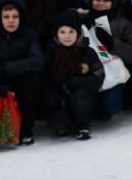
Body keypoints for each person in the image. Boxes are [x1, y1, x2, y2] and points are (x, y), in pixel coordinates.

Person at [0, 0, 44, 145]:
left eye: (15, 16)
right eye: (6, 17)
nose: (11, 21)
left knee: (33, 79)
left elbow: (38, 61)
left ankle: (26, 129)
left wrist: (7, 69)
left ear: (22, 18)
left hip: (21, 83)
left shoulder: (30, 36)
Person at [79, 0, 132, 119]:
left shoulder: (123, 24)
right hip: (91, 74)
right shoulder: (83, 22)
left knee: (109, 107)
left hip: (117, 77)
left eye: (106, 0)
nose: (100, 3)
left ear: (114, 1)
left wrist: (113, 43)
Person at [43, 9, 105, 140]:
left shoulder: (87, 52)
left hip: (81, 96)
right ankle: (64, 123)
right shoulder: (50, 54)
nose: (67, 36)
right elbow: (44, 81)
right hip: (60, 99)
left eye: (71, 31)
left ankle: (82, 125)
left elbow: (98, 76)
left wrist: (75, 83)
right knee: (59, 123)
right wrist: (53, 98)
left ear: (78, 33)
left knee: (81, 99)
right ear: (56, 34)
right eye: (62, 32)